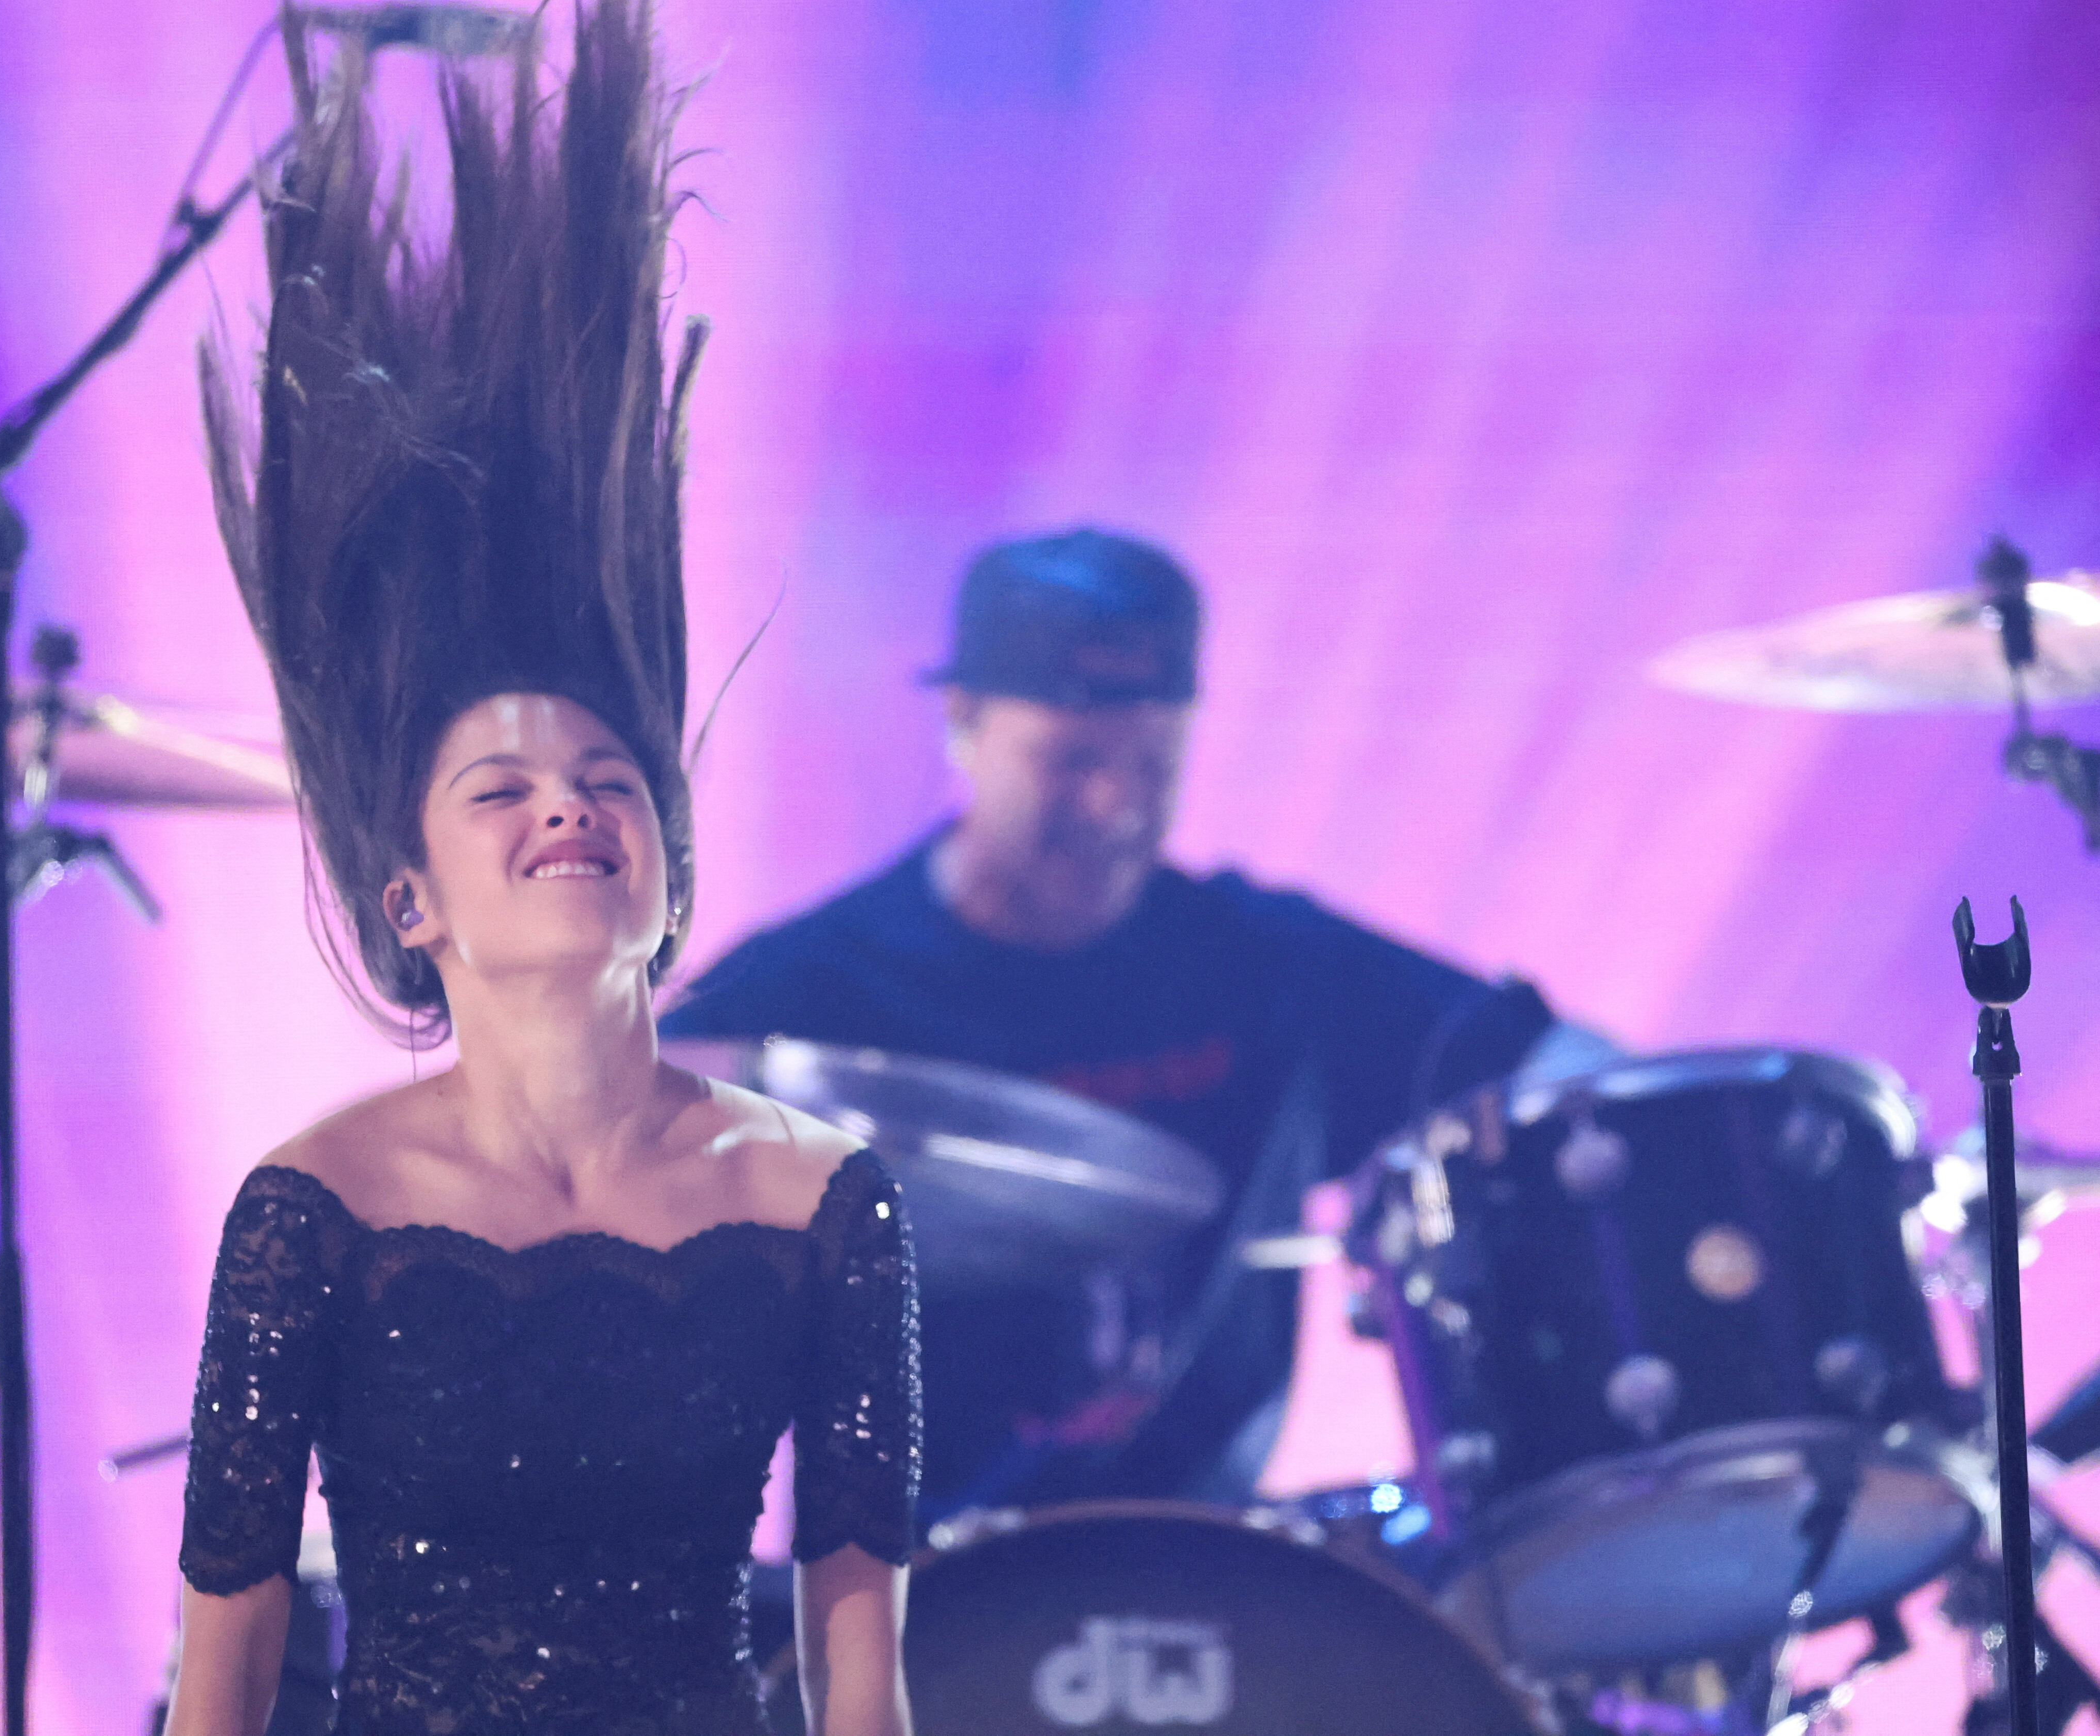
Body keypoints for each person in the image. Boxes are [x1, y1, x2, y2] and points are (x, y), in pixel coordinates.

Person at [164, 0, 920, 1736]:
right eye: (499, 791)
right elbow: (225, 1677)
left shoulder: (823, 1200)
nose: (567, 802)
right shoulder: (313, 1210)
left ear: (669, 868)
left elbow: (863, 1676)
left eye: (606, 778)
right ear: (409, 898)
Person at [661, 527, 1572, 1515]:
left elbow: (1565, 1076)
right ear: (962, 723)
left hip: (1209, 1552)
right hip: (911, 1567)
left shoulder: (1270, 963)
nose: (1115, 806)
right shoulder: (814, 989)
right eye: (1072, 761)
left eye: (1152, 764)